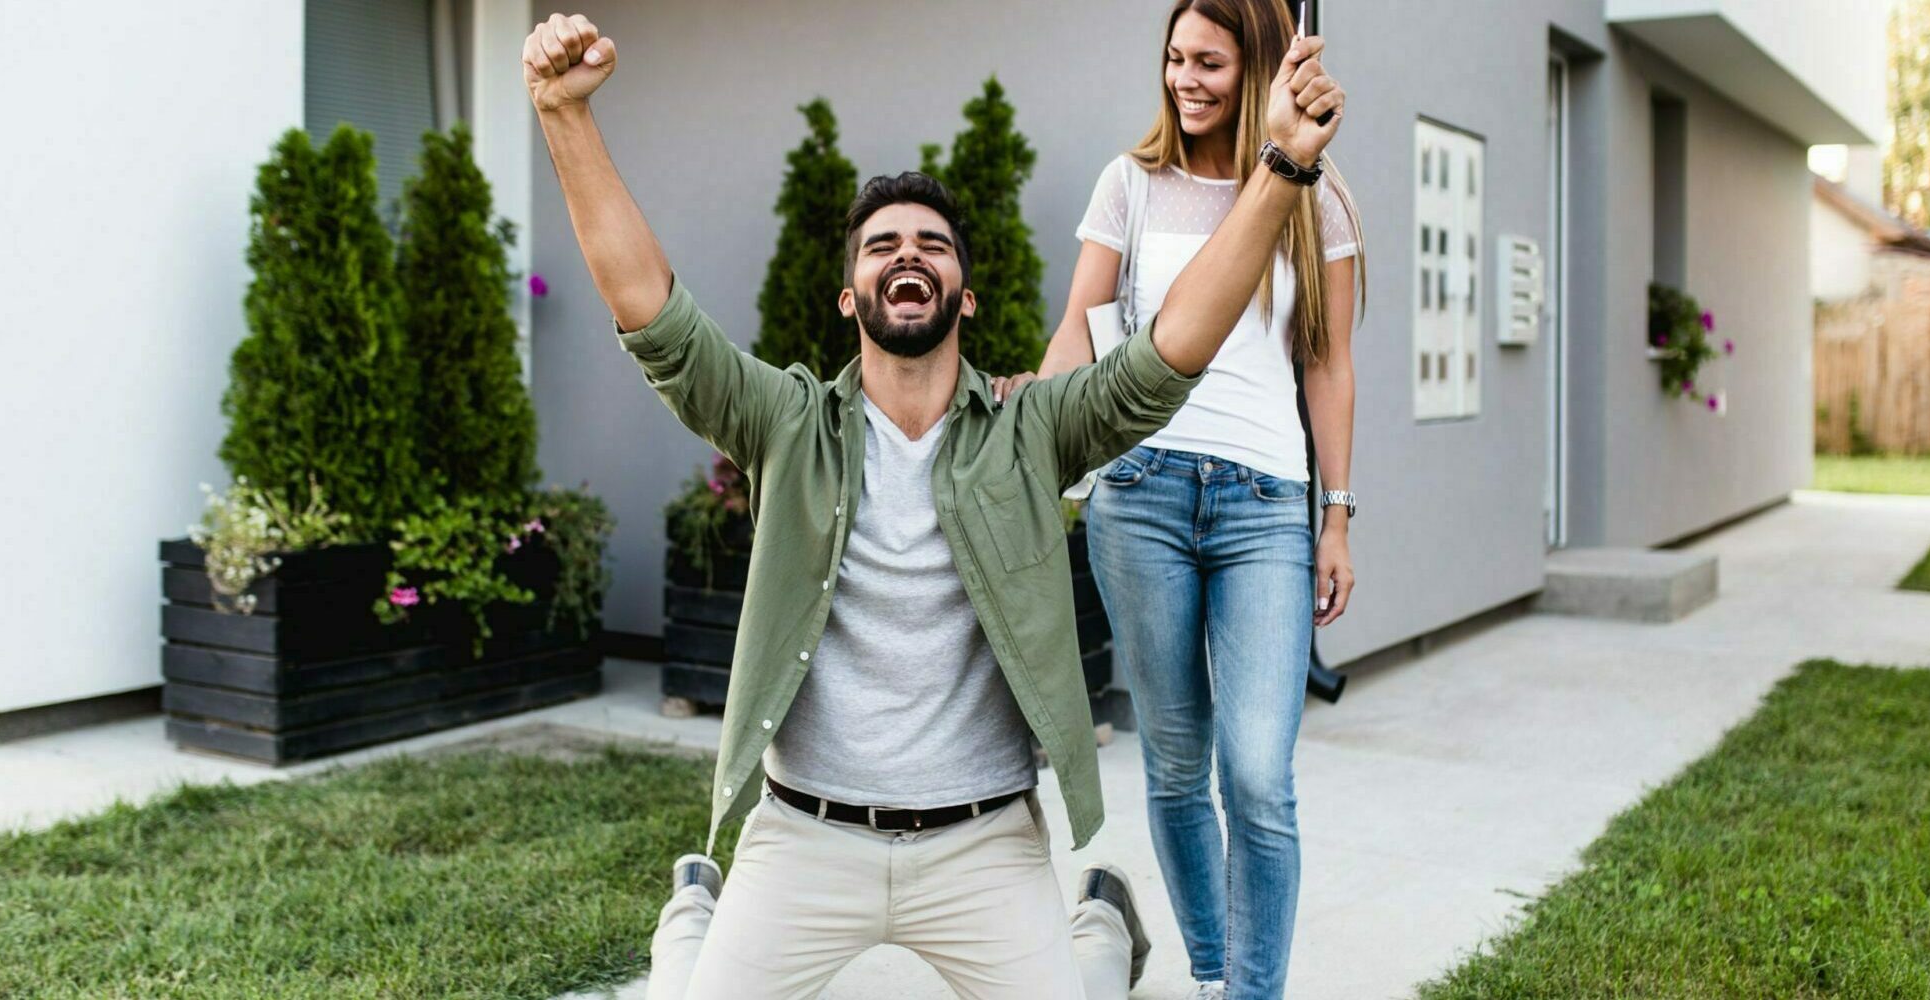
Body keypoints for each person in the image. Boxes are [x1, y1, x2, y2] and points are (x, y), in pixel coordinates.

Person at [522, 11, 1344, 998]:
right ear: (847, 295)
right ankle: (694, 908)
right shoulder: (785, 422)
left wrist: (1283, 168)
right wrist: (564, 115)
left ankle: (1095, 921)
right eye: (878, 246)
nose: (904, 255)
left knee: (1073, 980)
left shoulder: (1029, 430)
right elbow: (647, 309)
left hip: (981, 848)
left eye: (930, 244)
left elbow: (1172, 345)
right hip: (802, 837)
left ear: (962, 295)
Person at [994, 2, 1367, 997]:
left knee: (1256, 773)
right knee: (1172, 763)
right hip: (1139, 495)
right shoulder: (1129, 182)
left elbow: (1326, 362)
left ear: (1255, 68)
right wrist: (1035, 433)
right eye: (1172, 59)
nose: (1183, 79)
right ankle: (1213, 977)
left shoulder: (1311, 191)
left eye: (1207, 61)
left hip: (1262, 502)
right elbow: (1077, 328)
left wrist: (1335, 516)